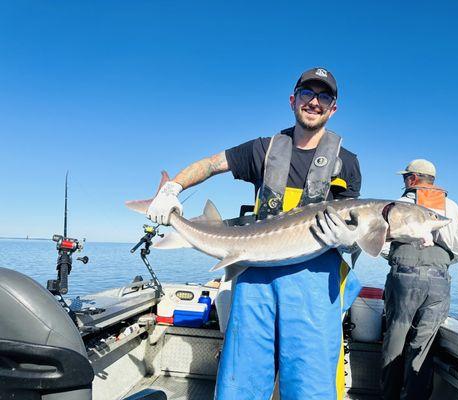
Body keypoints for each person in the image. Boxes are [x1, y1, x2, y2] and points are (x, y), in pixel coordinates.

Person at [146, 67, 363, 399]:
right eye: (307, 93)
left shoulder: (346, 162)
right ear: (293, 100)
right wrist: (173, 188)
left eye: (324, 97)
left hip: (315, 287)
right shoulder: (264, 149)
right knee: (242, 381)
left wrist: (353, 239)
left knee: (312, 385)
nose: (314, 102)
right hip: (256, 275)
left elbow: (356, 225)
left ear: (333, 108)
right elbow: (210, 164)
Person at [380, 159, 458, 400]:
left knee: (395, 338)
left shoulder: (398, 205)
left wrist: (400, 257)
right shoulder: (453, 207)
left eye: (405, 178)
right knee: (423, 346)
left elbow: (378, 245)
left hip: (403, 279)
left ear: (412, 179)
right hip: (439, 281)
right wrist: (436, 263)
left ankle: (389, 396)